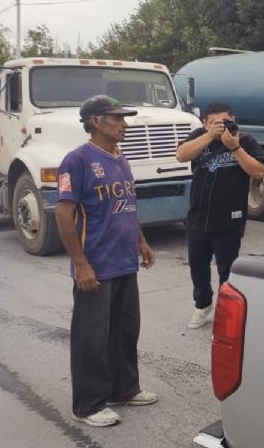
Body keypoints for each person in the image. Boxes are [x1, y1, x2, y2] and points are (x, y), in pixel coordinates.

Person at [55, 95, 158, 428]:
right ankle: (88, 404)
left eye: (124, 118)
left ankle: (123, 389)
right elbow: (64, 213)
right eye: (117, 118)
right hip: (96, 265)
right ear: (96, 122)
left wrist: (141, 241)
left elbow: (126, 204)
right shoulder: (77, 161)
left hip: (125, 260)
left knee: (125, 332)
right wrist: (80, 264)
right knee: (91, 338)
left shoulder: (120, 157)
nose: (124, 123)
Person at [175, 102, 264, 329]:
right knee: (198, 266)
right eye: (214, 123)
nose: (221, 127)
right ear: (205, 123)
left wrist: (235, 148)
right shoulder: (198, 136)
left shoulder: (244, 140)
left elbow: (258, 171)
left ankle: (227, 313)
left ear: (232, 119)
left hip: (229, 218)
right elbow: (181, 155)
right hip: (198, 216)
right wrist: (209, 136)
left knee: (227, 269)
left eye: (224, 121)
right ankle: (202, 304)